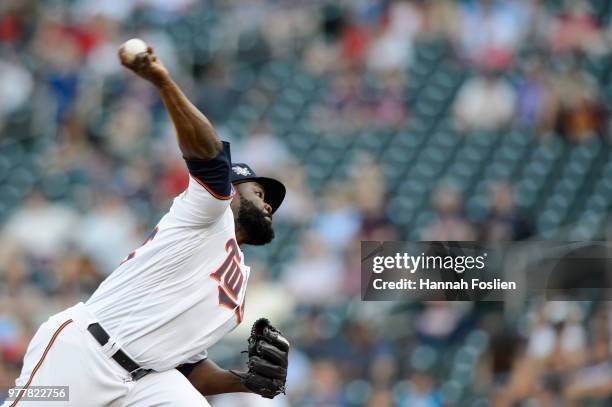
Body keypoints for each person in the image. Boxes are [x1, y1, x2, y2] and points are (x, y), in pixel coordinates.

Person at [3, 43, 289, 406]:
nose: (266, 203)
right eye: (258, 191)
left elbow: (187, 367)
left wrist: (244, 381)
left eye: (269, 201)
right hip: (86, 353)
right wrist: (163, 81)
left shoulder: (238, 289)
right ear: (231, 192)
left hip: (146, 382)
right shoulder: (208, 215)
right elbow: (211, 158)